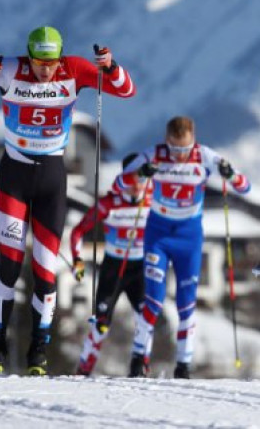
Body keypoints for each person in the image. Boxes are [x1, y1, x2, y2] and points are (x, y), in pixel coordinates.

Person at [0, 26, 135, 376]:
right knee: (9, 267)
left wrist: (110, 67)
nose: (45, 69)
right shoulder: (8, 69)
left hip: (52, 179)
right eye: (39, 62)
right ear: (29, 56)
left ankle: (38, 348)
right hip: (13, 180)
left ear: (60, 57)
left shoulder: (76, 69)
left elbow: (126, 90)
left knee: (46, 273)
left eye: (51, 62)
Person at [125, 116, 250, 379]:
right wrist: (139, 174)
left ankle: (183, 365)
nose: (179, 155)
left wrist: (231, 174)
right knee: (153, 300)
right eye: (175, 149)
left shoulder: (204, 156)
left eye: (184, 149)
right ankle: (138, 358)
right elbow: (123, 183)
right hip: (158, 236)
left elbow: (245, 187)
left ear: (193, 140)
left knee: (186, 304)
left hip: (189, 239)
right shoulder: (155, 155)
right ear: (166, 141)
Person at [71, 153, 152, 376]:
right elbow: (78, 232)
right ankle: (83, 370)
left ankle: (140, 366)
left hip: (140, 270)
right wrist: (77, 260)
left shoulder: (154, 202)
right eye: (133, 181)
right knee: (101, 325)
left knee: (146, 318)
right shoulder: (109, 204)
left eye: (142, 181)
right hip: (113, 269)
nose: (138, 187)